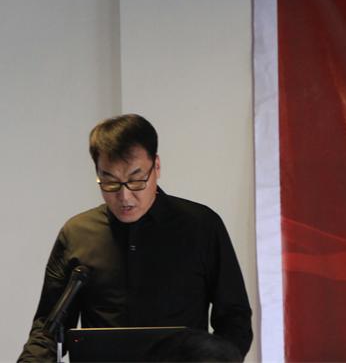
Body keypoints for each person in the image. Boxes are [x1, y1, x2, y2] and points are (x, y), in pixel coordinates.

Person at [17, 114, 252, 362]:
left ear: (156, 167)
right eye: (110, 182)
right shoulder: (76, 234)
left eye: (136, 180)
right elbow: (48, 329)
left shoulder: (201, 227)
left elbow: (234, 319)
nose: (125, 197)